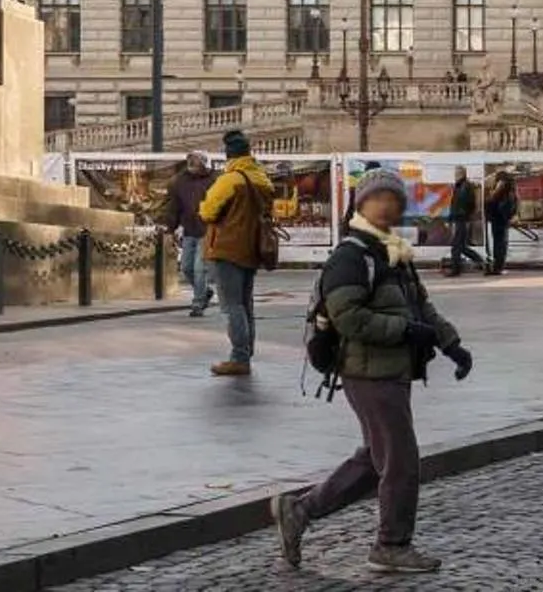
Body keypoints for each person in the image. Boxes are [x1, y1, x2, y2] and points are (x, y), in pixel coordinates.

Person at [273, 167, 472, 576]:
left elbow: (421, 307)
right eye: (378, 197)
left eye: (395, 199)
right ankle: (391, 545)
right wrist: (404, 330)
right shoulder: (351, 255)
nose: (387, 205)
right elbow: (349, 318)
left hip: (392, 370)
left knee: (374, 460)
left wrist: (450, 343)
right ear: (361, 204)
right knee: (401, 460)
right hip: (366, 372)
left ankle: (299, 510)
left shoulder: (392, 252)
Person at [197, 131, 276, 376]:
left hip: (227, 248)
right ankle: (246, 353)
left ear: (229, 154)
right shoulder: (262, 179)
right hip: (251, 248)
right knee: (245, 304)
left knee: (232, 306)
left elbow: (208, 212)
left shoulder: (229, 180)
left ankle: (239, 357)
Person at [164, 151, 215, 318]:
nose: (192, 163)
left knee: (199, 269)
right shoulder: (180, 181)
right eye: (190, 160)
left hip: (206, 230)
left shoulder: (213, 180)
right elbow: (174, 207)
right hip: (189, 230)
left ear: (203, 163)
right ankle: (205, 291)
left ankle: (198, 303)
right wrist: (170, 230)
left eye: (195, 161)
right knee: (186, 268)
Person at [442, 169, 482, 277]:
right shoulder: (459, 186)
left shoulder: (465, 186)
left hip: (462, 219)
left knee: (456, 246)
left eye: (457, 173)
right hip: (460, 218)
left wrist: (465, 214)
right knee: (462, 247)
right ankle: (481, 262)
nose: (455, 175)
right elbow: (454, 204)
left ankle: (456, 269)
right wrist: (451, 219)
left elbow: (468, 203)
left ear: (462, 174)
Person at [483, 166, 519, 276]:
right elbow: (515, 202)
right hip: (502, 218)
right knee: (501, 243)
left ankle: (497, 267)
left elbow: (492, 199)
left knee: (499, 243)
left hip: (498, 218)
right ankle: (498, 266)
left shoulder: (501, 186)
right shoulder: (511, 188)